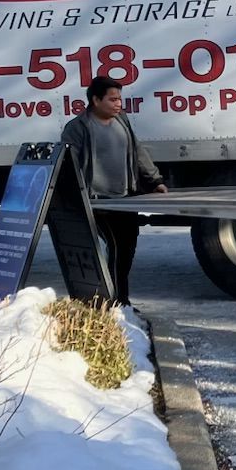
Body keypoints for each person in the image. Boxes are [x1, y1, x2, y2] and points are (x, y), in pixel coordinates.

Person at [61, 77, 167, 304]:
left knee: (127, 248)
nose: (119, 103)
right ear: (96, 100)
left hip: (125, 199)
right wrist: (77, 198)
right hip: (98, 202)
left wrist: (154, 180)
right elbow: (69, 167)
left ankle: (116, 299)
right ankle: (118, 302)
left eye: (120, 99)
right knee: (117, 246)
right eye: (113, 99)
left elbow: (138, 152)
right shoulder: (77, 128)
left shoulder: (122, 121)